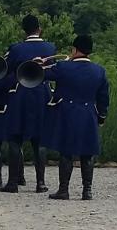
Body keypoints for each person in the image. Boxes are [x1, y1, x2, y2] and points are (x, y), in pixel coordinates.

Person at [43, 34, 110, 201]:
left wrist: (41, 62)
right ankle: (87, 191)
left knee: (66, 152)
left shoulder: (64, 67)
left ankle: (63, 190)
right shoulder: (99, 71)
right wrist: (101, 116)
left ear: (74, 49)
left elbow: (44, 75)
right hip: (88, 113)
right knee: (87, 153)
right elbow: (103, 98)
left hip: (67, 112)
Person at [0, 14, 56, 193]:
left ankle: (13, 182)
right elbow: (52, 71)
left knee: (15, 138)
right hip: (42, 95)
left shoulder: (16, 49)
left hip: (20, 95)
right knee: (39, 141)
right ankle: (40, 183)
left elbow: (6, 71)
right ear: (39, 29)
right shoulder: (50, 47)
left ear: (23, 30)